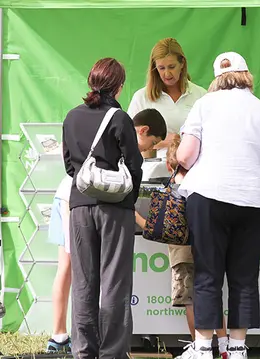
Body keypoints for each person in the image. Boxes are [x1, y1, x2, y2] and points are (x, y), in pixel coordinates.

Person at [175, 51, 260, 359]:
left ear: (218, 78)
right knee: (244, 275)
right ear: (247, 76)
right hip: (253, 200)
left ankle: (204, 347)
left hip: (209, 196)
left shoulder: (204, 105)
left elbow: (185, 156)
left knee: (208, 272)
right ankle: (237, 348)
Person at [62, 57, 144, 359]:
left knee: (83, 282)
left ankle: (83, 351)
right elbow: (135, 165)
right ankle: (112, 354)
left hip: (80, 206)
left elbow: (70, 166)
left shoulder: (71, 117)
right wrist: (128, 197)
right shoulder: (119, 118)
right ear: (119, 86)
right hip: (116, 209)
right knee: (115, 283)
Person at [134, 134, 229, 359]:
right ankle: (225, 346)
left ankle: (199, 347)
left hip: (183, 256)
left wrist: (136, 217)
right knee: (212, 297)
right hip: (210, 251)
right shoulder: (205, 189)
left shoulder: (173, 193)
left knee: (190, 302)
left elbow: (161, 229)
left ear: (169, 165)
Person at [128, 37, 208, 181]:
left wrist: (180, 142)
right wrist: (163, 141)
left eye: (171, 67)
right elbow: (128, 140)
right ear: (154, 68)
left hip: (192, 176)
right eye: (161, 68)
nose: (167, 74)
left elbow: (209, 137)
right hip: (151, 176)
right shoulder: (142, 97)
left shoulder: (200, 95)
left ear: (182, 63)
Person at [46, 174, 73, 354]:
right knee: (66, 268)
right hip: (70, 200)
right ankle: (58, 336)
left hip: (71, 197)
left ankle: (59, 336)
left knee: (66, 269)